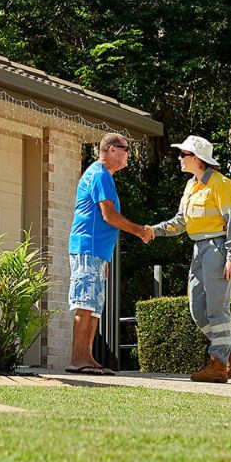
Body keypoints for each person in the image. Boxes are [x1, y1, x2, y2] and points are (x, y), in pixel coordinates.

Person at [150, 135, 231, 384]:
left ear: (197, 159)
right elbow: (181, 222)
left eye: (183, 154)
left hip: (218, 247)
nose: (179, 158)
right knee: (198, 312)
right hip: (199, 248)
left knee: (217, 309)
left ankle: (218, 364)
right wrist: (154, 230)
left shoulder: (221, 183)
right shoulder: (191, 185)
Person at [67, 132, 155, 374]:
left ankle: (87, 358)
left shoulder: (105, 176)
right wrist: (140, 231)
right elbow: (109, 216)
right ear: (112, 150)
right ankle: (77, 360)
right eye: (126, 149)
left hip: (97, 252)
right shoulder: (99, 175)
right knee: (84, 304)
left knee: (94, 306)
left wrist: (105, 257)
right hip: (87, 248)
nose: (129, 154)